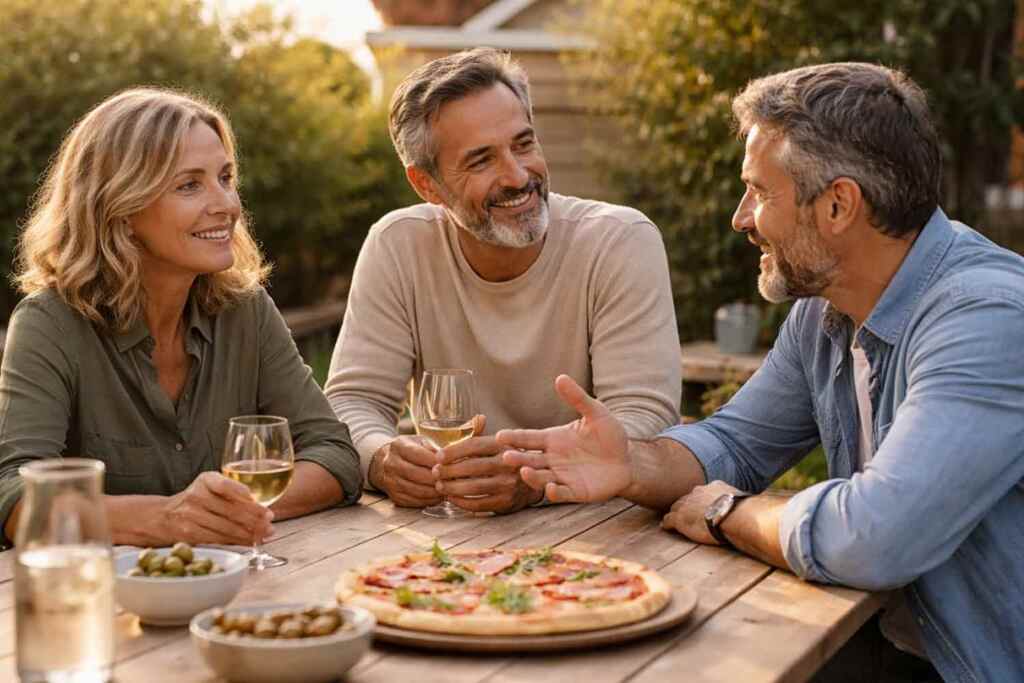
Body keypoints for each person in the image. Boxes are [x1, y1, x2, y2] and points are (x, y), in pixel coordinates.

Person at [497, 62, 1024, 682]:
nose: (741, 218)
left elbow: (876, 538)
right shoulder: (826, 311)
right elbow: (737, 442)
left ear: (838, 205)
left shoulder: (986, 318)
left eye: (760, 191)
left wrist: (728, 515)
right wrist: (631, 463)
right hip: (879, 641)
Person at [0, 88, 362, 549]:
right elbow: (14, 495)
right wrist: (168, 517)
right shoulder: (51, 324)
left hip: (241, 590)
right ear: (121, 208)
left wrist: (230, 513)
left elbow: (334, 454)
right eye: (189, 185)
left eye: (225, 178)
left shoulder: (246, 311)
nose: (227, 205)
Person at [324, 48, 681, 514]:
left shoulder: (619, 241)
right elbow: (352, 402)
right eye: (481, 161)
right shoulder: (398, 245)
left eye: (524, 144)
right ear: (426, 186)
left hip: (594, 527)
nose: (517, 176)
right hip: (441, 535)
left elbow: (644, 421)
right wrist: (381, 458)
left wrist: (537, 476)